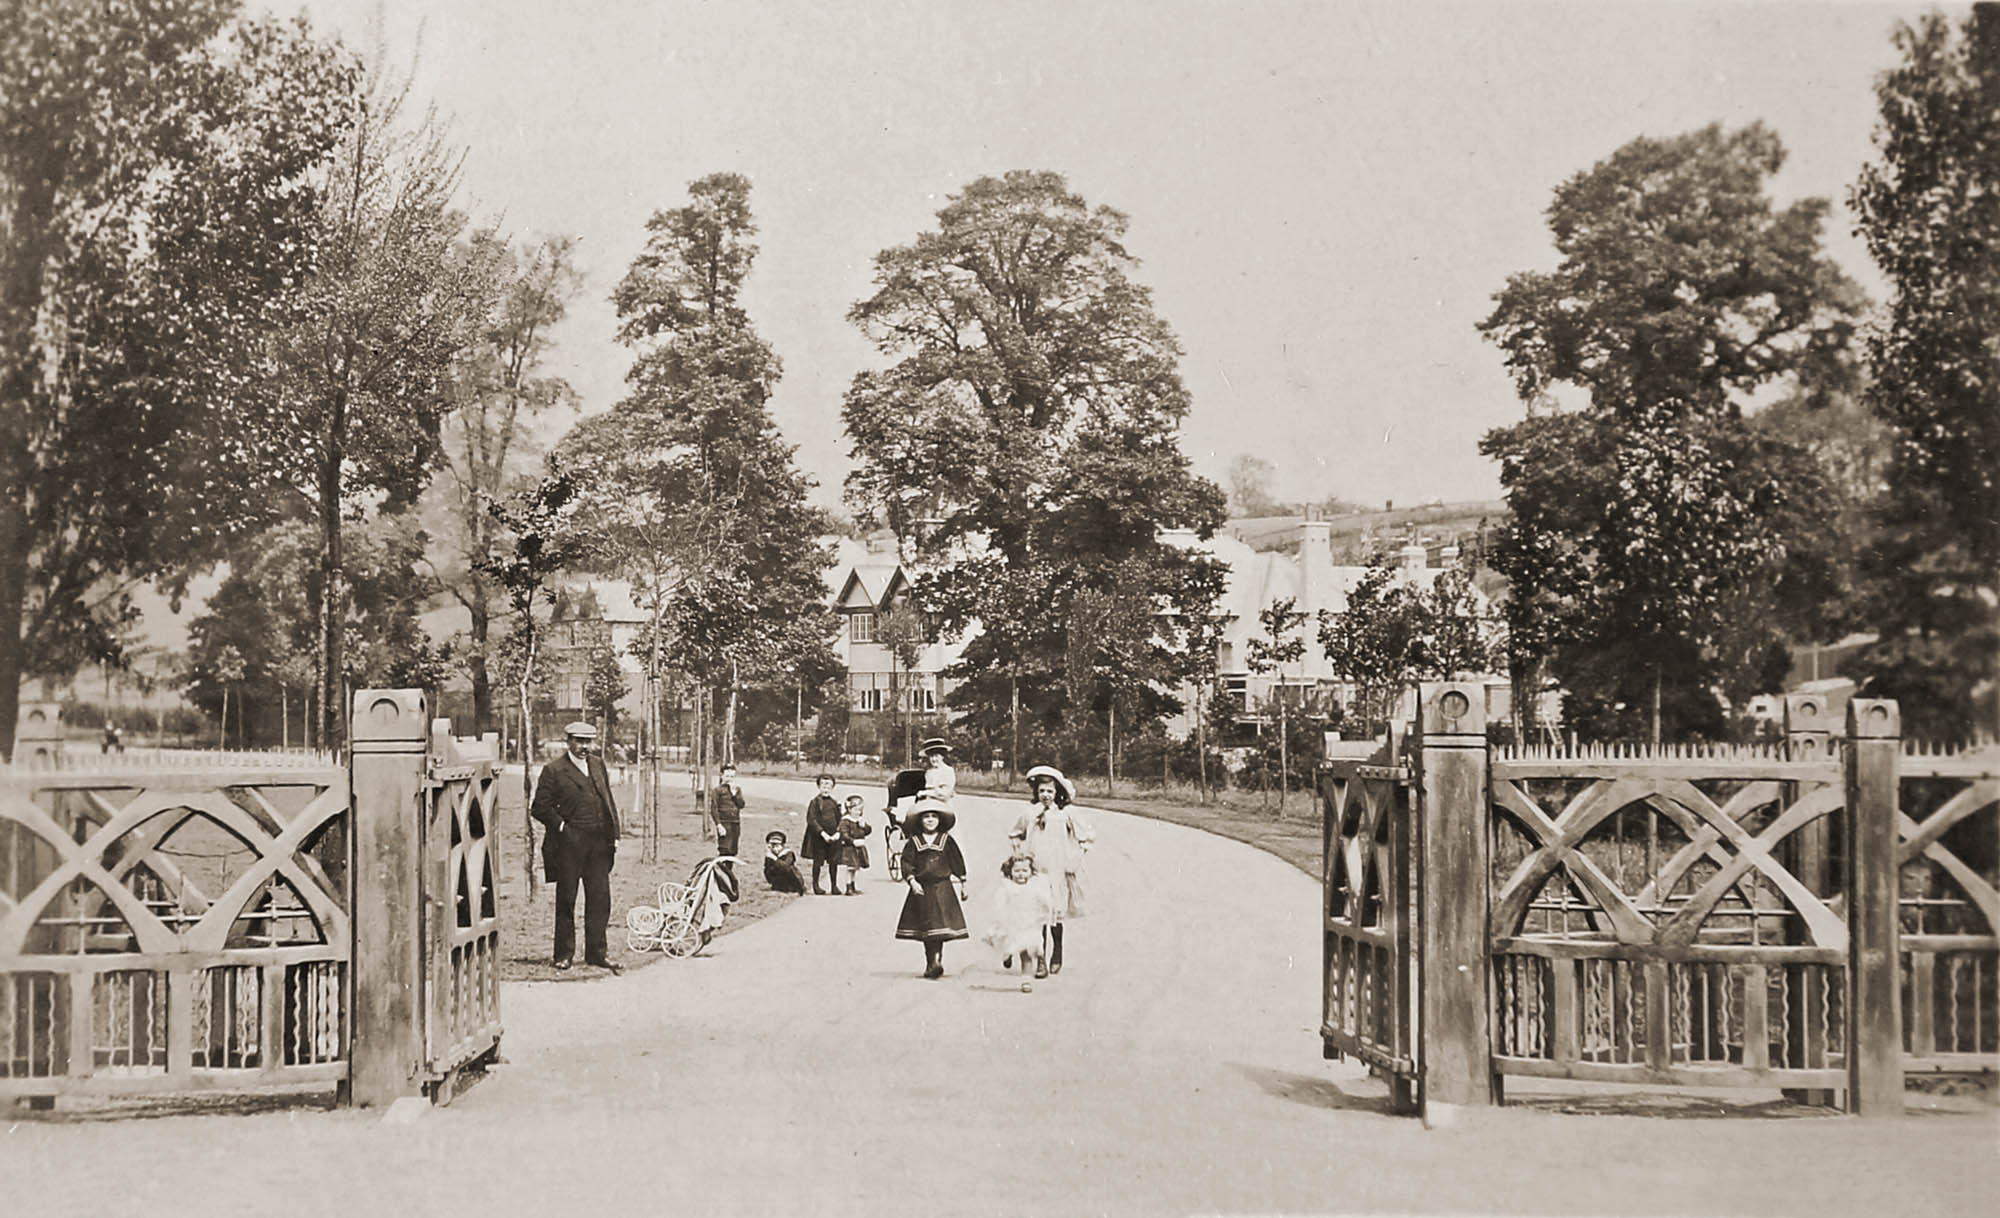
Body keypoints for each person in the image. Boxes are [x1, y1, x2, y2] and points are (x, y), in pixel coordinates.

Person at [529, 721, 624, 973]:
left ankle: (597, 953)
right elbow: (539, 807)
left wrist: (614, 833)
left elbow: (607, 800)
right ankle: (564, 954)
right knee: (566, 900)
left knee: (600, 899)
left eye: (589, 741)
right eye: (580, 741)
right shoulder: (554, 770)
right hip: (569, 845)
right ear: (568, 741)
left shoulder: (597, 764)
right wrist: (562, 828)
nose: (585, 747)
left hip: (598, 845)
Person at [1009, 765, 1092, 976]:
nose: (1045, 795)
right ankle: (1040, 961)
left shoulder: (1065, 814)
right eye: (1042, 791)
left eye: (1050, 791)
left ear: (1058, 793)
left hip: (1057, 871)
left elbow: (1085, 837)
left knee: (1054, 915)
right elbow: (1015, 834)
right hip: (1036, 871)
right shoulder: (1029, 813)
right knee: (1037, 917)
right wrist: (1021, 854)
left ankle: (1057, 951)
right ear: (1036, 793)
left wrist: (1074, 859)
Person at [894, 797, 968, 979]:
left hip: (943, 887)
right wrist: (912, 881)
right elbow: (907, 863)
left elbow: (956, 861)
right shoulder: (914, 841)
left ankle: (937, 959)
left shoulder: (946, 840)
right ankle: (931, 961)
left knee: (940, 928)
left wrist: (963, 882)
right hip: (922, 889)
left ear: (940, 820)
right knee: (927, 928)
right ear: (919, 821)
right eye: (925, 817)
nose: (929, 820)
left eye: (934, 816)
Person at [983, 854, 1056, 988]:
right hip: (1012, 923)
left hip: (1029, 924)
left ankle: (1026, 981)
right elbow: (999, 905)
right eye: (1016, 871)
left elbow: (1044, 902)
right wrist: (1001, 918)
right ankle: (1008, 954)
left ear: (1031, 872)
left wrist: (1046, 909)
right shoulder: (1007, 887)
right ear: (1010, 872)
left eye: (1024, 871)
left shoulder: (1035, 886)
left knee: (1026, 952)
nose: (1021, 875)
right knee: (1009, 945)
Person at [800, 774, 843, 894]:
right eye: (823, 784)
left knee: (833, 861)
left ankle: (834, 886)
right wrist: (822, 833)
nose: (826, 787)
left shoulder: (834, 803)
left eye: (828, 784)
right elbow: (812, 820)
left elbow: (840, 819)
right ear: (819, 786)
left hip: (833, 836)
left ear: (833, 787)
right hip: (819, 837)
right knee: (818, 861)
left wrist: (838, 833)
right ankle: (816, 885)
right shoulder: (815, 802)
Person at [835, 794, 872, 895]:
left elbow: (868, 831)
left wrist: (864, 826)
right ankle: (848, 887)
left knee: (855, 868)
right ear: (849, 809)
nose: (857, 812)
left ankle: (853, 885)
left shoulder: (860, 820)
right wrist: (852, 841)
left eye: (859, 810)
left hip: (859, 847)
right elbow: (844, 834)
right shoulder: (846, 821)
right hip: (849, 848)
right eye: (855, 810)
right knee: (850, 868)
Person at [711, 763, 745, 858]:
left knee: (733, 850)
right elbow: (714, 808)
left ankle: (728, 871)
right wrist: (719, 825)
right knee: (724, 849)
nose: (729, 778)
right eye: (727, 776)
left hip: (735, 822)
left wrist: (735, 794)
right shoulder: (717, 790)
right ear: (721, 775)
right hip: (724, 823)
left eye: (732, 776)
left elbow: (741, 805)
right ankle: (721, 871)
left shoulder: (737, 789)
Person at [918, 737, 956, 804]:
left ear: (942, 756)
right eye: (931, 756)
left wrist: (925, 793)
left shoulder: (948, 771)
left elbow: (944, 794)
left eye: (936, 756)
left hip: (943, 807)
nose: (934, 759)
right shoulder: (929, 772)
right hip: (929, 806)